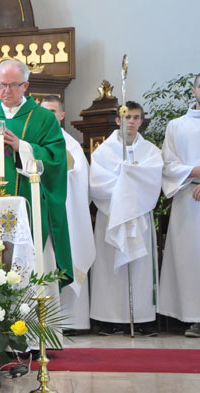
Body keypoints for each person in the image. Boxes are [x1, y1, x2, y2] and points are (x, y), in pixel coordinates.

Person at [0, 59, 74, 297]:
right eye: (1, 85)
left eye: (13, 85)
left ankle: (38, 315)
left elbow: (56, 159)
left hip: (31, 206)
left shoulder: (44, 118)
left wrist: (21, 147)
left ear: (25, 85)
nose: (6, 91)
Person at [89, 101, 163, 336]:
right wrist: (126, 182)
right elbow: (97, 184)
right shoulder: (103, 151)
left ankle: (141, 318)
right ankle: (109, 318)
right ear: (118, 120)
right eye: (127, 117)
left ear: (141, 121)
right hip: (113, 216)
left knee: (140, 267)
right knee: (111, 268)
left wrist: (130, 181)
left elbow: (154, 182)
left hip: (139, 216)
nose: (131, 121)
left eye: (136, 117)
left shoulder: (151, 151)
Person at [40, 95, 96, 334]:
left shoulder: (70, 145)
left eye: (52, 111)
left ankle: (73, 321)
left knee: (67, 257)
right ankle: (45, 321)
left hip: (66, 214)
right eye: (43, 112)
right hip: (42, 213)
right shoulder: (34, 141)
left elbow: (81, 180)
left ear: (62, 115)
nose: (48, 116)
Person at [158, 74, 200, 338]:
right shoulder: (176, 126)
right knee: (190, 259)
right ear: (194, 90)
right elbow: (168, 164)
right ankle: (194, 317)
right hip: (187, 198)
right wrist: (194, 171)